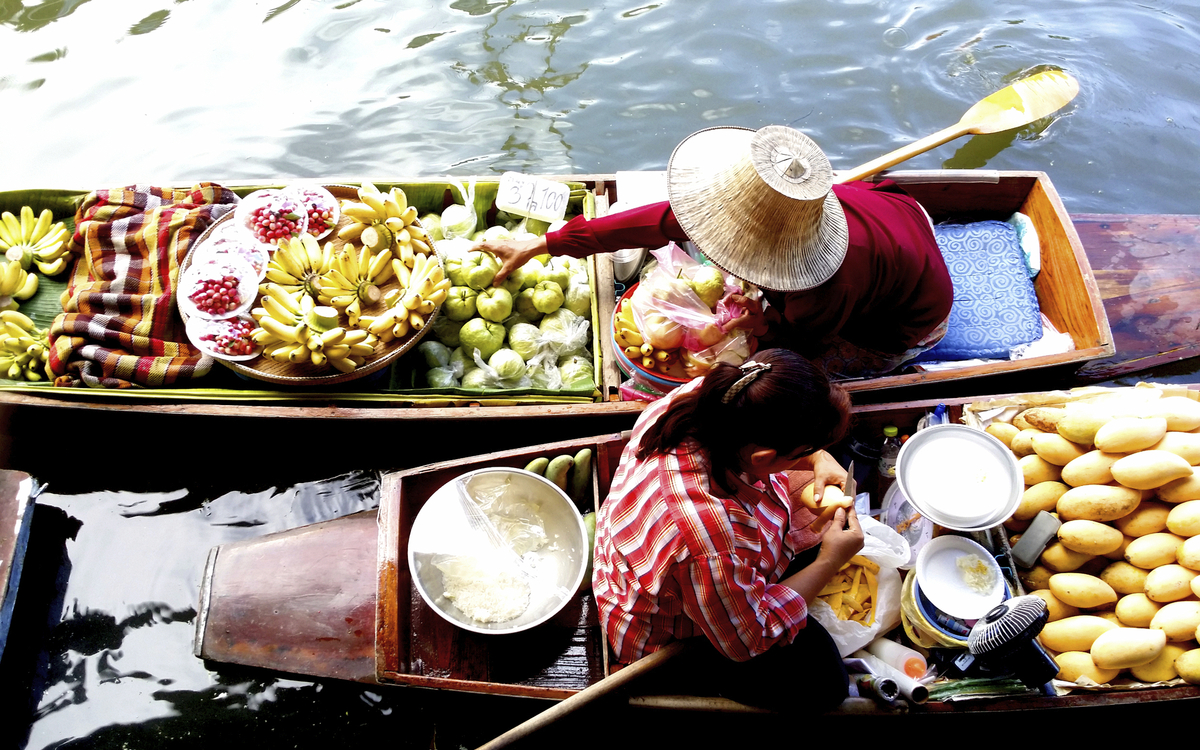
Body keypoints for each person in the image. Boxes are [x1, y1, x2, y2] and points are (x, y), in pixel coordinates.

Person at [476, 125, 953, 378]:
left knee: (791, 373)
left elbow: (800, 337)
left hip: (906, 316)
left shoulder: (826, 288)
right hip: (898, 217)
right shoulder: (774, 205)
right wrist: (544, 243)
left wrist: (762, 326)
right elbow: (657, 220)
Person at [592, 347, 863, 711]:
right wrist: (830, 560)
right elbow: (749, 638)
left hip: (657, 555)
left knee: (820, 510)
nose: (810, 455)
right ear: (762, 457)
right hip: (665, 634)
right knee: (826, 682)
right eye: (804, 449)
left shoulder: (714, 395)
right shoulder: (712, 542)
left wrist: (818, 456)